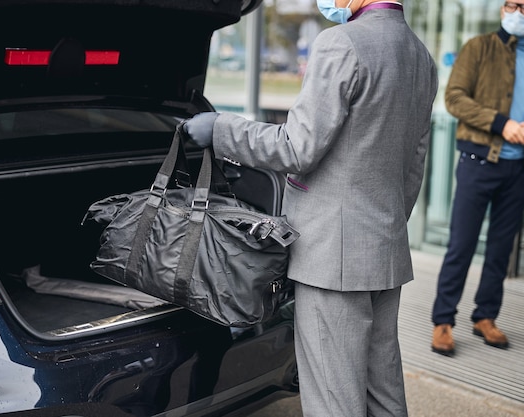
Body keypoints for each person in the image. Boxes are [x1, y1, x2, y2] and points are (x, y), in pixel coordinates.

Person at [184, 0, 438, 415]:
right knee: (383, 391)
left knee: (333, 399)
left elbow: (296, 148)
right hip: (383, 249)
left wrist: (221, 129)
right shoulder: (419, 56)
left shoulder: (341, 42)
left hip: (331, 257)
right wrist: (380, 230)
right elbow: (414, 165)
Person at [430, 0, 524, 356]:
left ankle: (485, 316)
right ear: (504, 9)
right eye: (511, 4)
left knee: (501, 249)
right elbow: (454, 98)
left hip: (521, 168)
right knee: (461, 245)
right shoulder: (479, 47)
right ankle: (443, 321)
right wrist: (502, 124)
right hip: (478, 163)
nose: (518, 11)